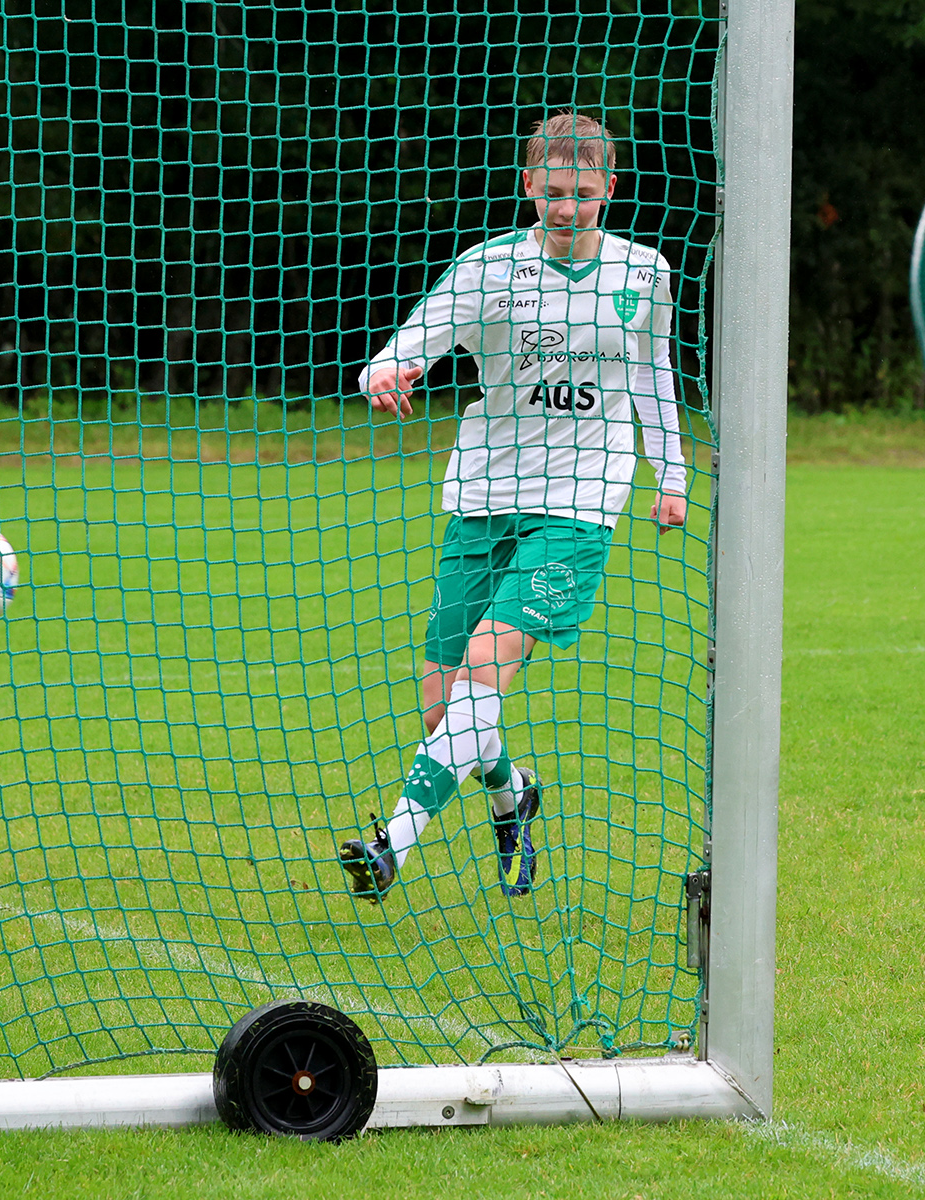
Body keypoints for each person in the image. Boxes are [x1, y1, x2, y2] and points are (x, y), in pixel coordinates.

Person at [339, 112, 688, 903]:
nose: (568, 209)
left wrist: (671, 478)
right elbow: (402, 349)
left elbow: (652, 381)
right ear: (530, 184)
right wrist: (385, 378)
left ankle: (391, 844)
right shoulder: (487, 269)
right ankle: (513, 796)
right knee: (442, 709)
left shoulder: (644, 273)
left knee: (486, 670)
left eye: (585, 193)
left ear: (608, 192)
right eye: (554, 191)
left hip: (583, 500)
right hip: (484, 492)